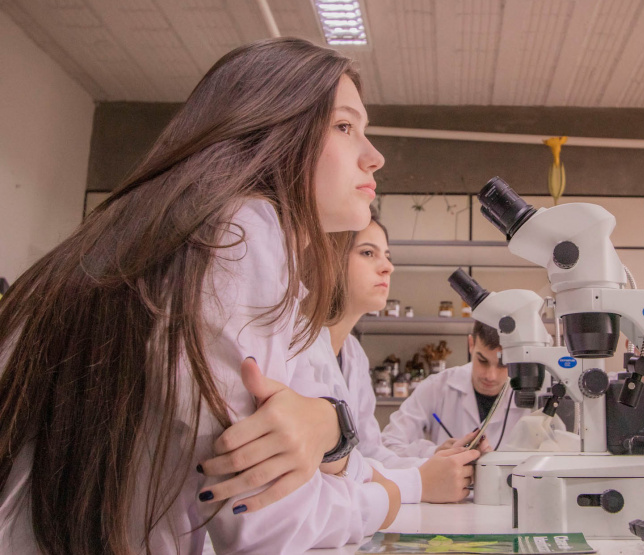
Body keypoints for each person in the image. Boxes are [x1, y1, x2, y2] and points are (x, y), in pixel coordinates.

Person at [0, 38, 400, 554]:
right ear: (272, 128)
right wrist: (384, 501)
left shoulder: (180, 228)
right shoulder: (239, 234)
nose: (375, 156)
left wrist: (330, 424)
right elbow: (259, 520)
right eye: (345, 127)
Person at [279, 209, 481, 504]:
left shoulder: (353, 354)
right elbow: (325, 472)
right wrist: (419, 481)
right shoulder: (296, 346)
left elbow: (368, 453)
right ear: (328, 258)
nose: (387, 267)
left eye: (387, 255)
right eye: (368, 253)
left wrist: (433, 462)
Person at [381, 321, 529, 459]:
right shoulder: (437, 386)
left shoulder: (529, 394)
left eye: (503, 365)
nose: (491, 376)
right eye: (482, 361)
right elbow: (388, 444)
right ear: (471, 344)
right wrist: (434, 453)